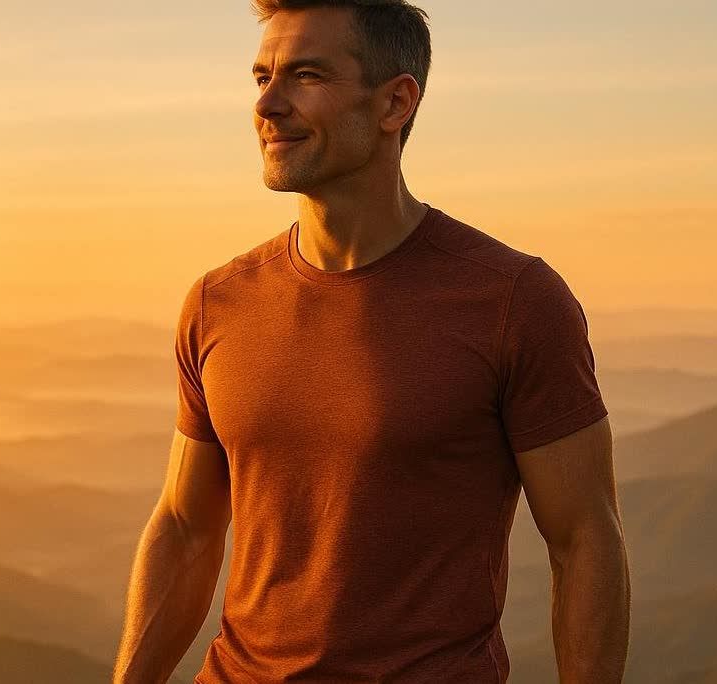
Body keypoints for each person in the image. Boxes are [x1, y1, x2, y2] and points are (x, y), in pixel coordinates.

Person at [114, 1, 630, 681]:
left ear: (395, 103)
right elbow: (185, 530)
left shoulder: (514, 302)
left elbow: (584, 540)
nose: (267, 103)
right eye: (261, 76)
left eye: (306, 76)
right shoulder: (217, 304)